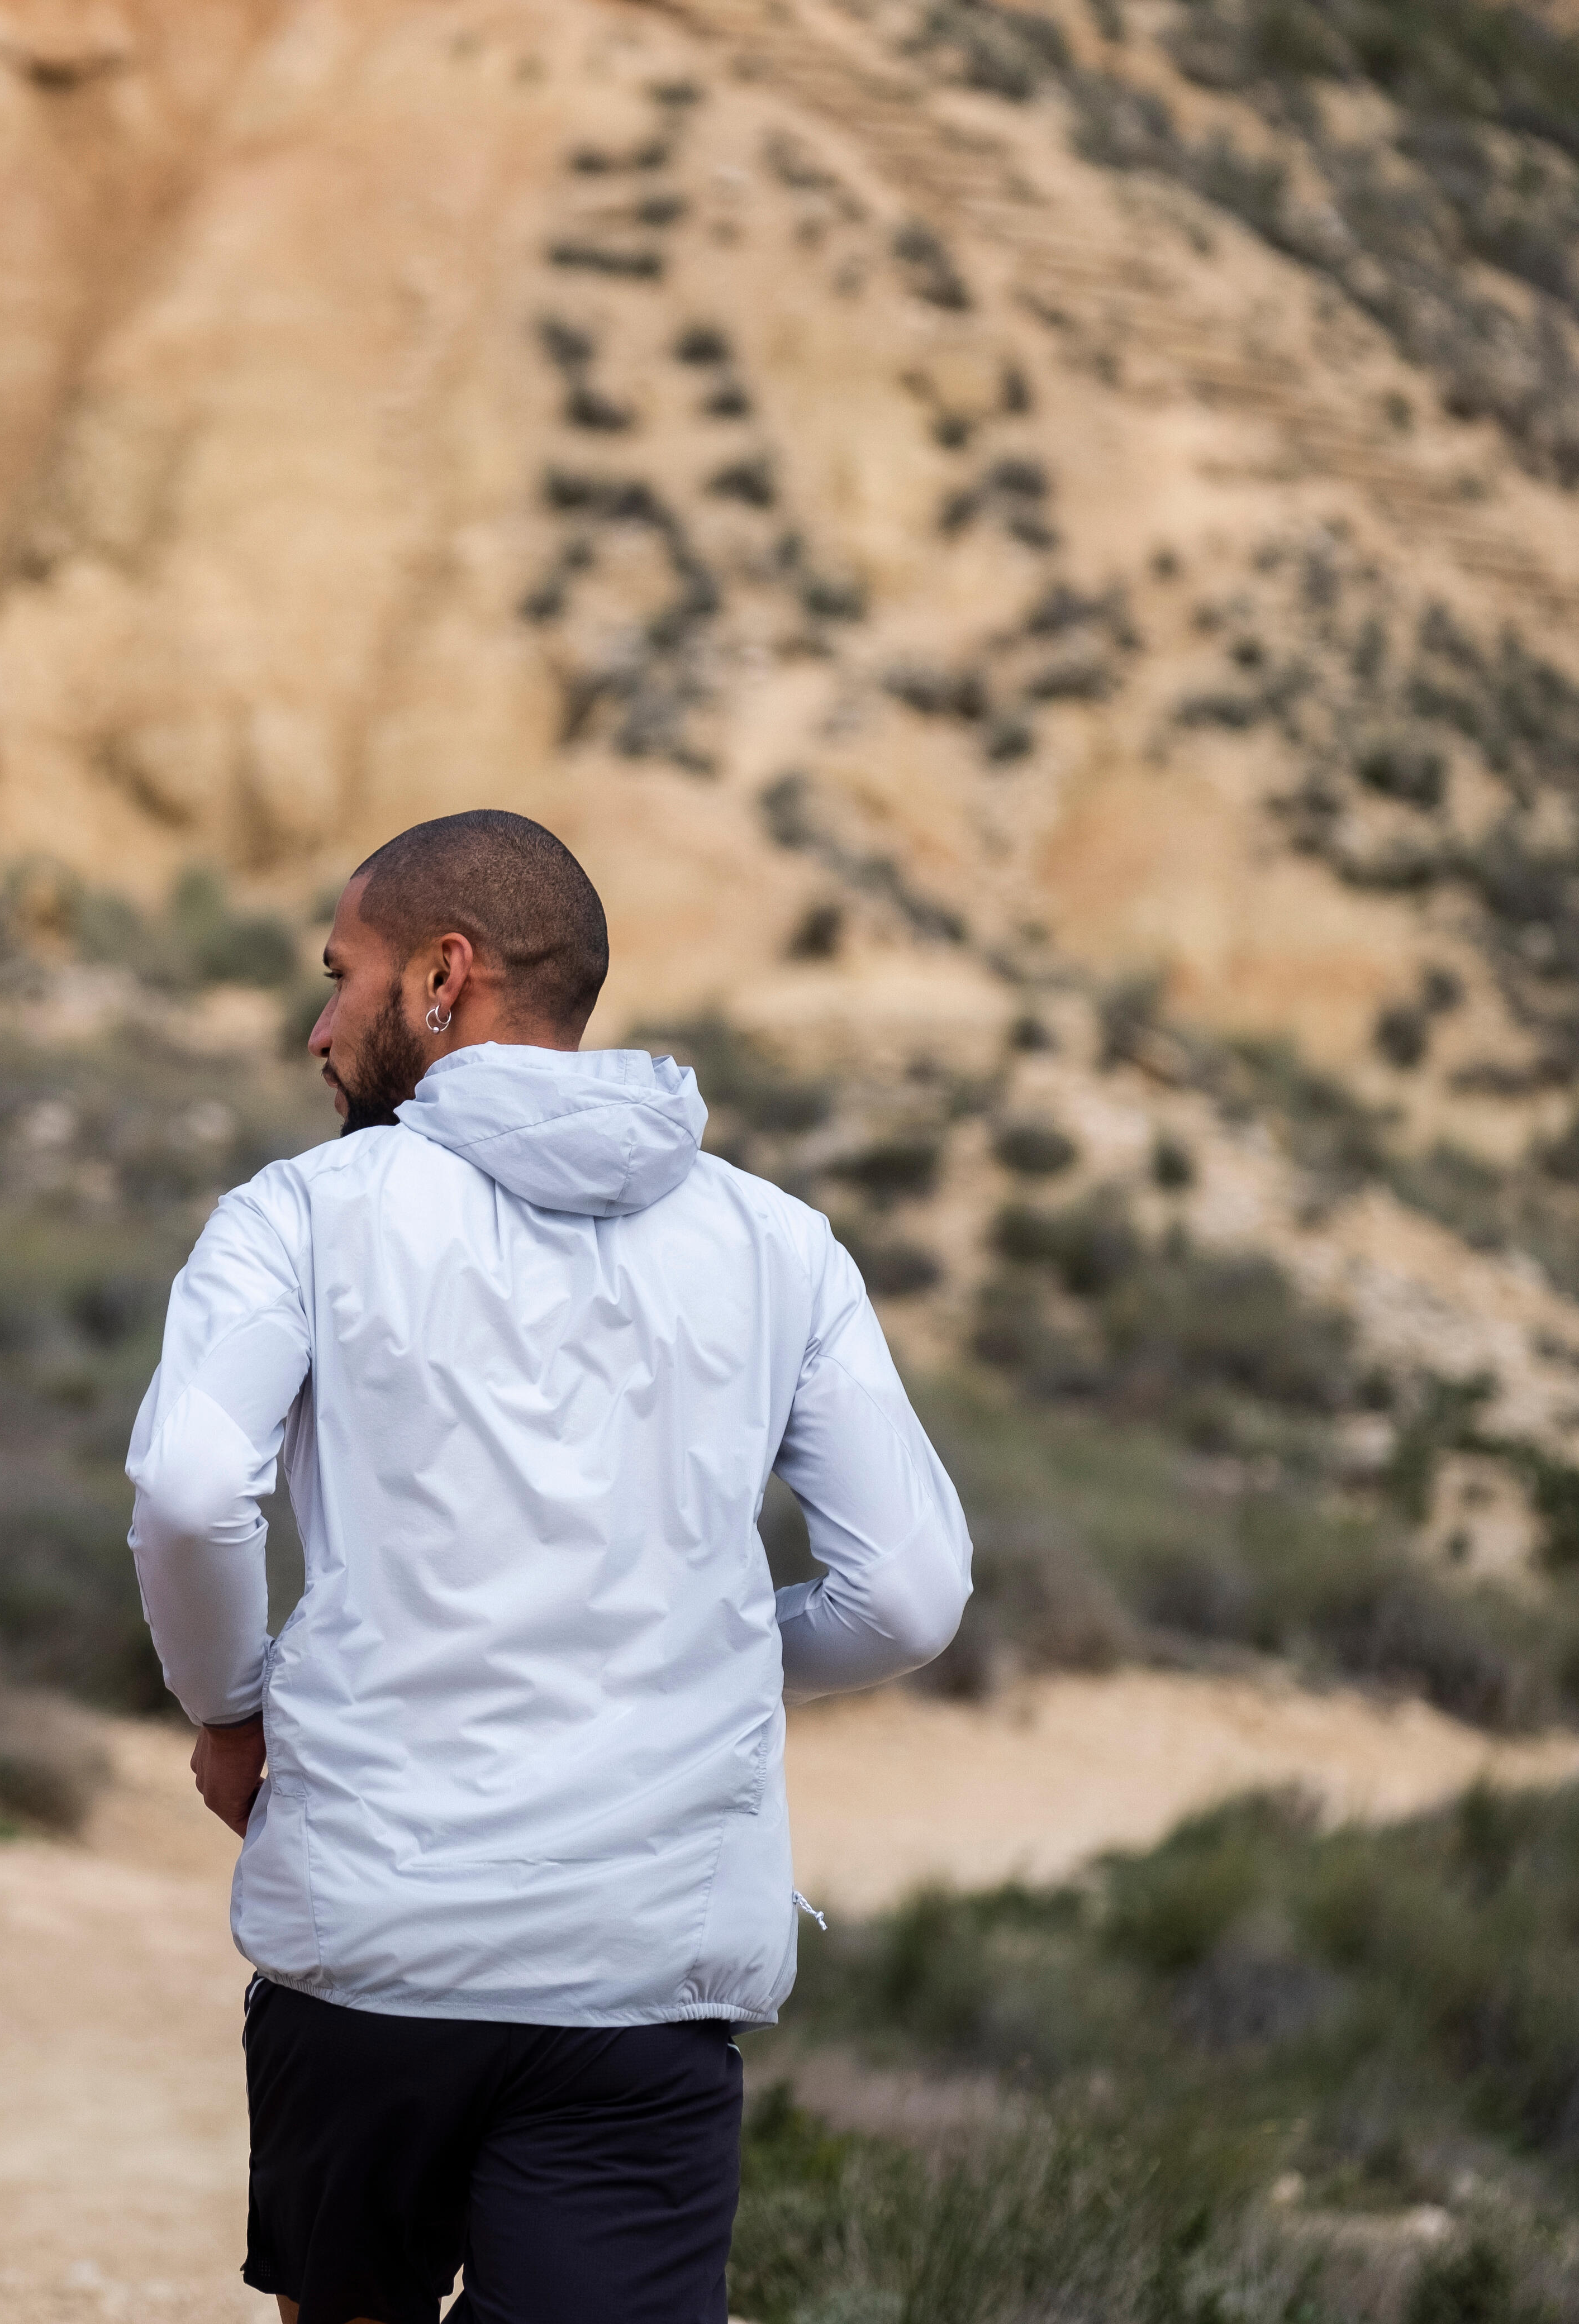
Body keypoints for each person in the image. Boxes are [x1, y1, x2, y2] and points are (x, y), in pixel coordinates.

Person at [126, 811, 972, 2324]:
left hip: (372, 1955)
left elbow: (193, 1495)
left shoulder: (301, 1217)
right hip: (647, 1976)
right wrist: (697, 1641)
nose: (319, 1028)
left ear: (442, 980)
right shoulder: (783, 1246)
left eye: (342, 976)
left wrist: (229, 1704)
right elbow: (907, 1597)